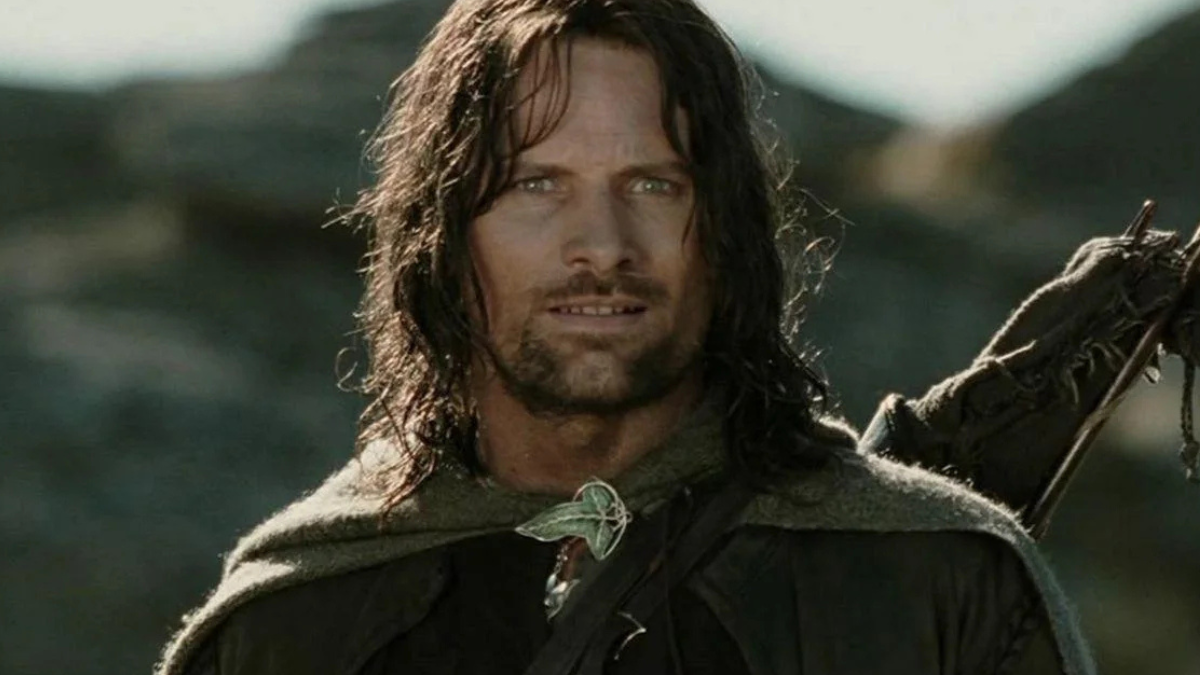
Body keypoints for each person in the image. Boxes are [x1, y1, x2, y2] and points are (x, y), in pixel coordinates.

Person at [157, 0, 1097, 673]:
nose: (602, 246)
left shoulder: (937, 576)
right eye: (537, 185)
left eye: (654, 185)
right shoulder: (294, 619)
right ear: (443, 237)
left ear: (722, 231)